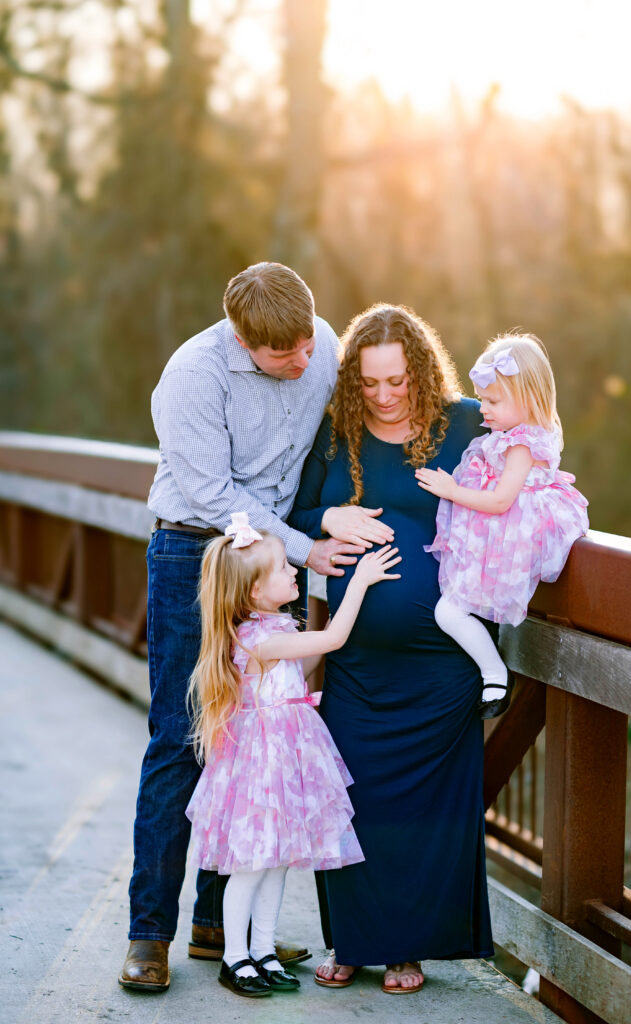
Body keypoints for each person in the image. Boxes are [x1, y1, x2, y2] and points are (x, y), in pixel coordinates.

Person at [119, 263, 364, 992]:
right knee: (184, 737)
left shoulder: (317, 341)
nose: (301, 360)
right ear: (239, 336)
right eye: (280, 352)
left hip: (270, 559)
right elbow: (212, 492)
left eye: (304, 343)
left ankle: (218, 929)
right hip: (196, 552)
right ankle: (149, 933)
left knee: (254, 742)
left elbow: (339, 438)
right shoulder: (193, 376)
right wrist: (302, 546)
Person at [288, 303, 495, 995]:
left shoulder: (464, 424)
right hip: (356, 663)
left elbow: (536, 461)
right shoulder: (335, 435)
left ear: (421, 372)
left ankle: (404, 949)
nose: (382, 395)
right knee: (347, 800)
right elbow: (293, 516)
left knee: (422, 815)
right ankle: (350, 940)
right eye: (369, 382)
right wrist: (328, 516)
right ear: (352, 381)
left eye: (397, 381)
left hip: (442, 668)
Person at [185, 513, 401, 997]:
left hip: (286, 759)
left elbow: (303, 665)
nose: (295, 573)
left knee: (278, 860)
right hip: (263, 765)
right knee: (252, 865)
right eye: (284, 568)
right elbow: (332, 641)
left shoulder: (273, 627)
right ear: (254, 593)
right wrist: (360, 582)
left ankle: (262, 948)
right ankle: (234, 956)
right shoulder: (259, 639)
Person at [416, 333, 589, 719]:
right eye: (483, 398)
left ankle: (494, 672)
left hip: (512, 533)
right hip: (496, 532)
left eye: (493, 401)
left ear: (526, 400)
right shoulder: (507, 436)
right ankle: (492, 670)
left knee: (449, 612)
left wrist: (452, 489)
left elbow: (500, 501)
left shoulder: (522, 444)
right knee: (452, 611)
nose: (483, 409)